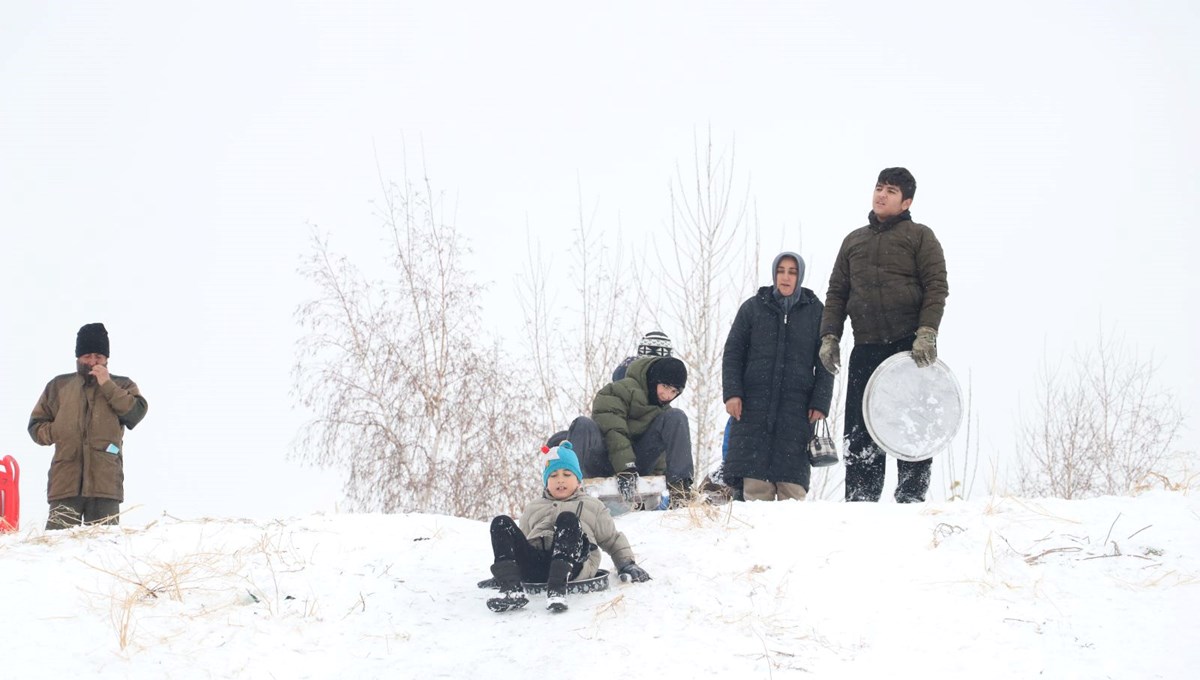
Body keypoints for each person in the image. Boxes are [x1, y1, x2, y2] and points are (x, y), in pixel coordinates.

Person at [819, 167, 949, 503]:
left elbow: (936, 286)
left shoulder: (921, 236)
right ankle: (861, 500)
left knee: (913, 423)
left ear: (906, 202)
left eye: (891, 191)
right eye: (879, 187)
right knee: (861, 430)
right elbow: (837, 292)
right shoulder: (853, 240)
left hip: (909, 349)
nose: (881, 194)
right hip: (867, 347)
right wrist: (830, 335)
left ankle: (910, 497)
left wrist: (927, 332)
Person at [486, 441, 651, 613]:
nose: (560, 480)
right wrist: (505, 571)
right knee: (501, 522)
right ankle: (511, 589)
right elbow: (518, 544)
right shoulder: (533, 507)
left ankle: (557, 589)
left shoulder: (592, 506)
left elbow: (611, 539)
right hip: (536, 566)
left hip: (575, 564)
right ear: (546, 481)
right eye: (553, 476)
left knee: (568, 519)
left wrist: (626, 564)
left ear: (578, 480)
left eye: (567, 474)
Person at [722, 252, 834, 501]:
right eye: (781, 271)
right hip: (753, 409)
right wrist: (732, 393)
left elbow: (826, 360)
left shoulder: (816, 312)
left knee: (792, 494)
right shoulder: (753, 308)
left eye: (792, 272)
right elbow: (732, 353)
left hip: (797, 412)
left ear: (800, 276)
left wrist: (820, 402)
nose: (785, 277)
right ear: (774, 274)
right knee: (755, 493)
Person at [28, 323, 149, 529]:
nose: (93, 361)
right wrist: (57, 431)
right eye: (87, 356)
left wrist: (107, 384)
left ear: (106, 359)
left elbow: (136, 413)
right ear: (78, 357)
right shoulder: (58, 386)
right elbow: (35, 426)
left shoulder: (122, 385)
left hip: (105, 485)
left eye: (98, 356)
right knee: (56, 550)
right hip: (64, 484)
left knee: (103, 552)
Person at [567, 355, 693, 505]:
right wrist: (626, 467)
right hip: (603, 460)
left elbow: (659, 453)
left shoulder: (665, 413)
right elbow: (613, 429)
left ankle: (680, 491)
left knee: (677, 417)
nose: (667, 395)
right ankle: (569, 490)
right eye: (665, 387)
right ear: (654, 380)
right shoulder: (617, 391)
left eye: (674, 392)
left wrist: (656, 482)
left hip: (638, 464)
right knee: (582, 424)